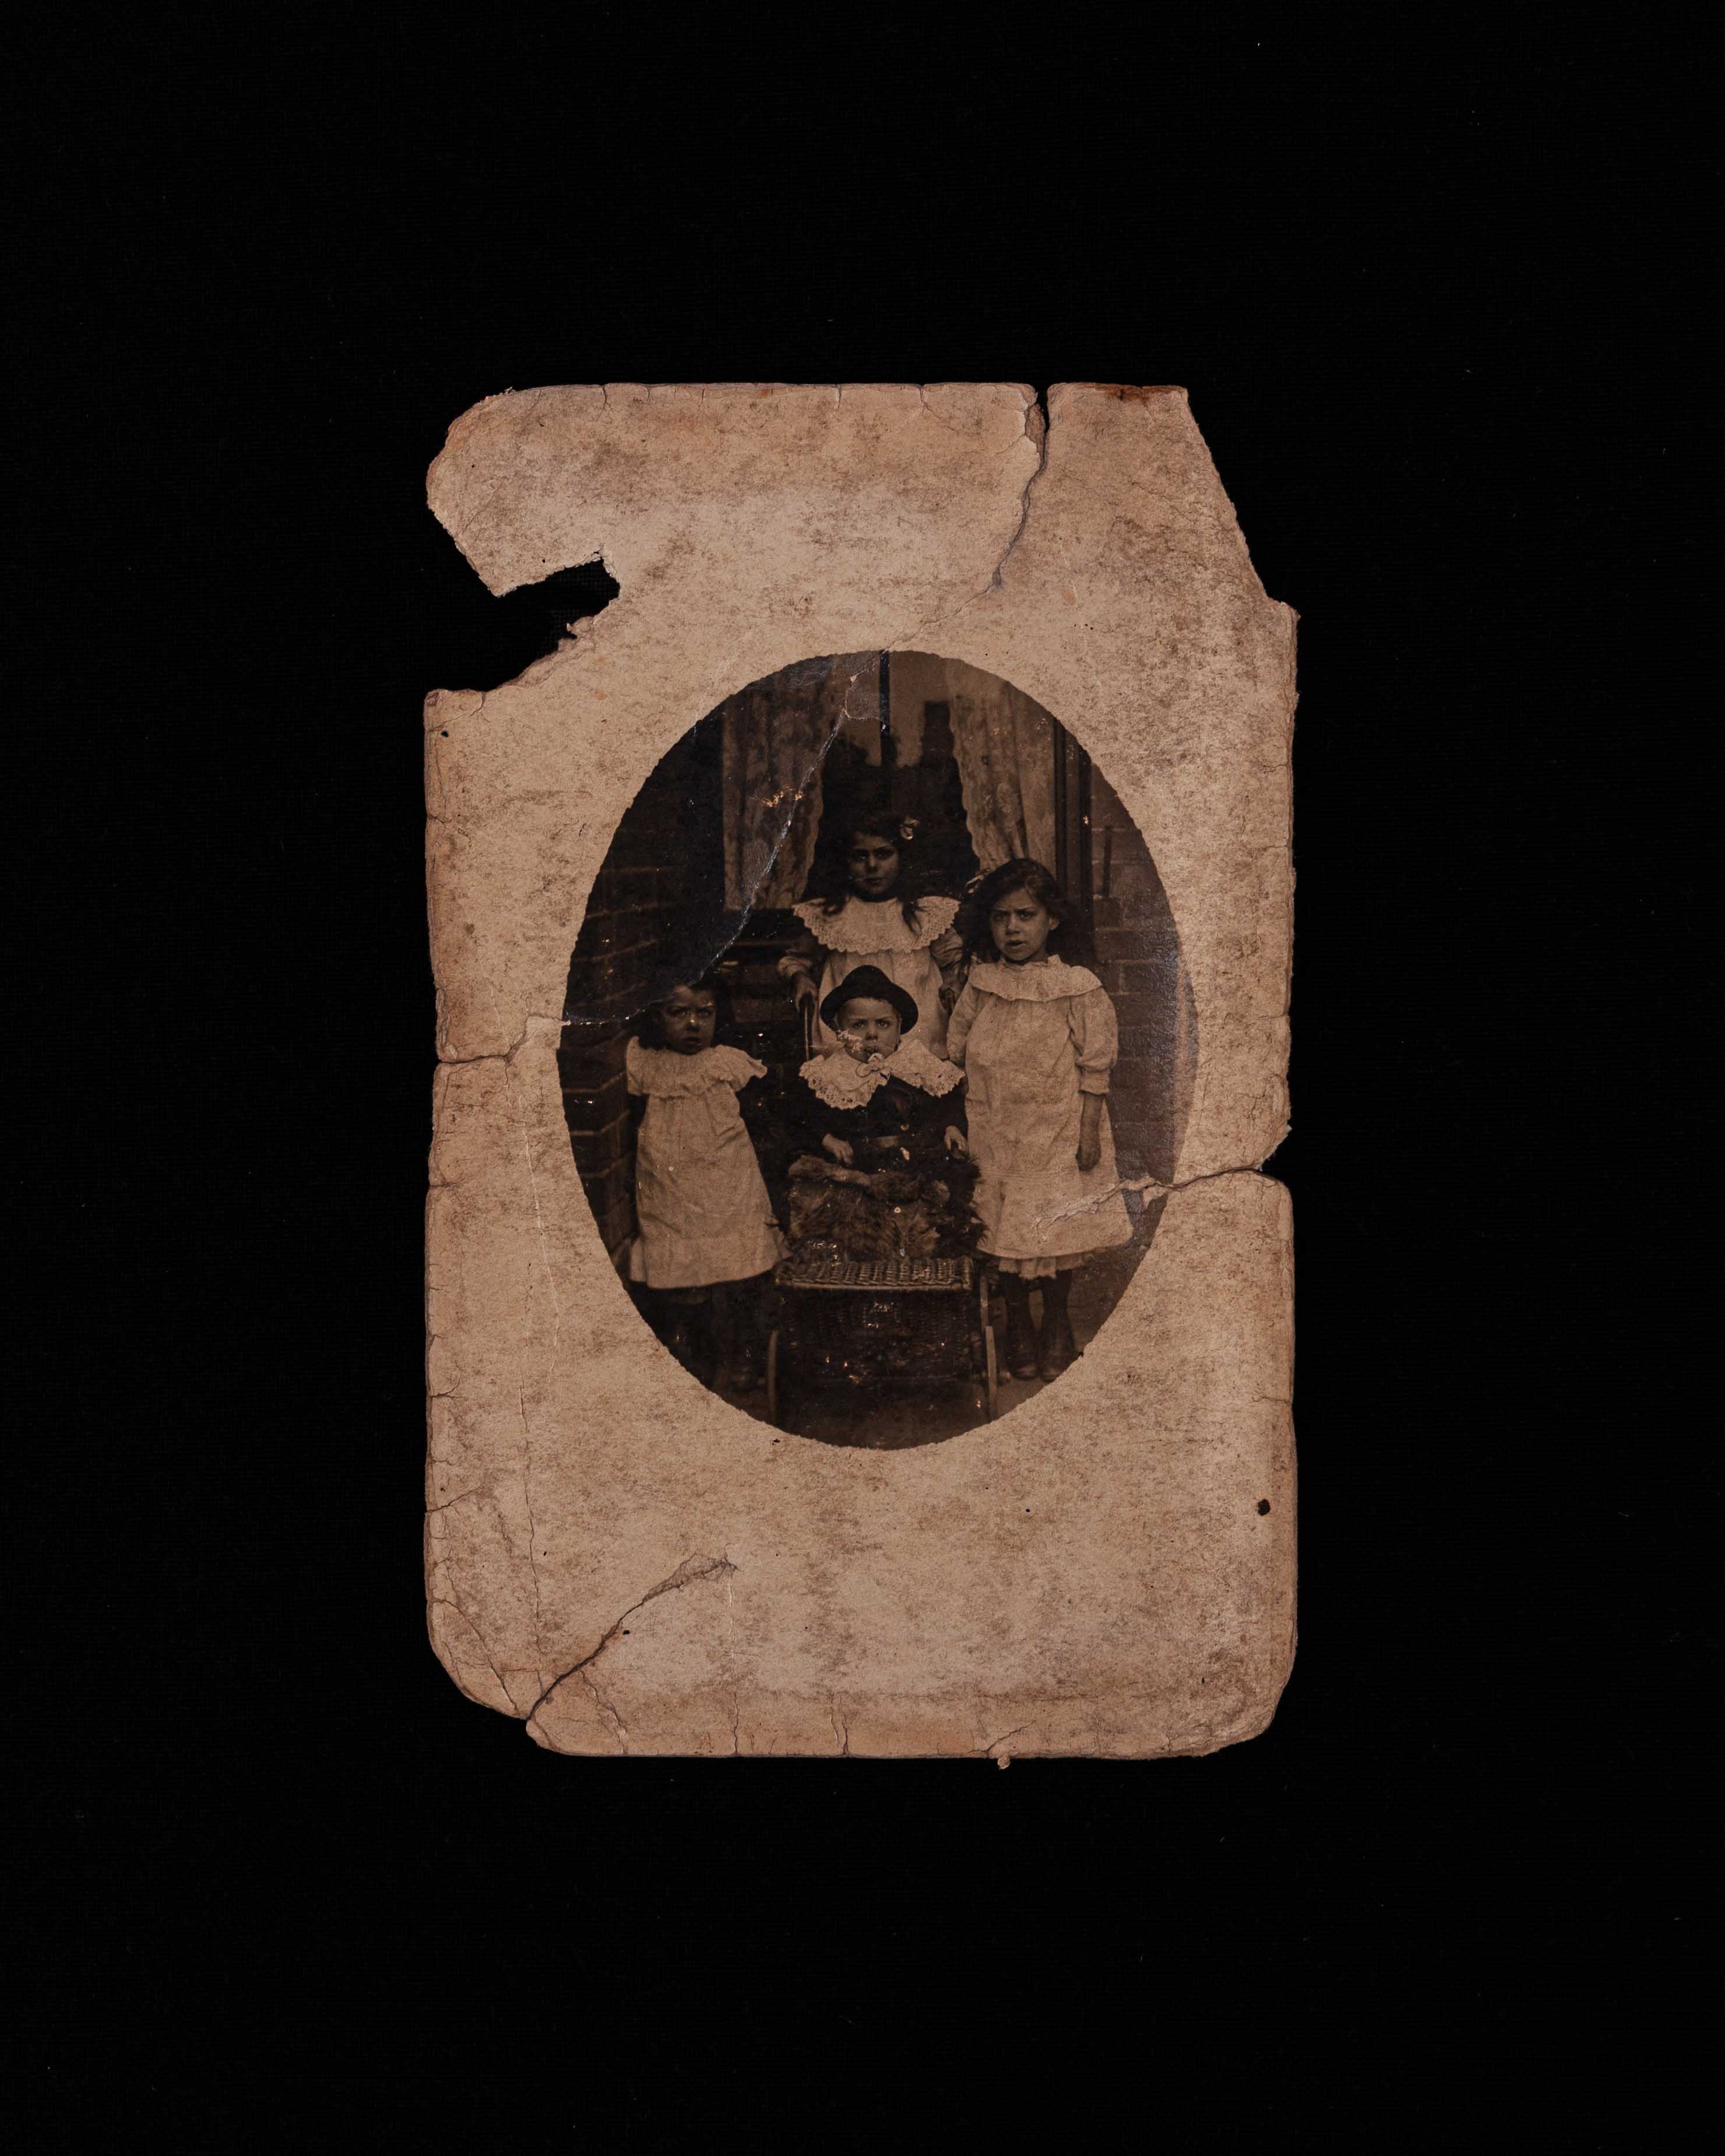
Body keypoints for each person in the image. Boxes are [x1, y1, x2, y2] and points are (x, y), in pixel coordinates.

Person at [945, 859, 1132, 1382]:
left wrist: (1088, 1132)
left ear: (1052, 920)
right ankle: (1018, 1324)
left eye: (1026, 916)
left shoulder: (1076, 987)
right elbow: (956, 1049)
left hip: (1058, 1128)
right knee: (1002, 1223)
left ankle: (1055, 1322)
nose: (1012, 929)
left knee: (1055, 1226)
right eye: (1001, 917)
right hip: (995, 1126)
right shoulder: (982, 984)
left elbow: (1096, 1064)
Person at [625, 968, 784, 1389]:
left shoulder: (726, 1062)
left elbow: (761, 1119)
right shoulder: (646, 1063)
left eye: (705, 1013)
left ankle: (744, 1353)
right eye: (678, 1013)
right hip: (671, 1179)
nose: (693, 1025)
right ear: (656, 1016)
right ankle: (696, 1353)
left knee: (740, 1262)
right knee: (683, 1266)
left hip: (727, 1177)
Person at [786, 967, 974, 1262]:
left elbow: (946, 1100)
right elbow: (803, 1116)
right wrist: (828, 1139)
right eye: (859, 1025)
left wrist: (951, 1127)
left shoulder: (917, 1064)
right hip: (857, 1174)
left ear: (899, 1027)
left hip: (914, 1169)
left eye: (884, 1024)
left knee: (935, 1219)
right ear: (839, 1030)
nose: (872, 1034)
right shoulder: (828, 1074)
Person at [776, 808, 963, 1056]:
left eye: (884, 854)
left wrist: (953, 983)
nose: (872, 866)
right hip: (850, 1034)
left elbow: (954, 960)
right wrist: (800, 977)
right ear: (846, 862)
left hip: (921, 1030)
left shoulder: (924, 913)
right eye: (860, 857)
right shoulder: (830, 915)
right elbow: (795, 960)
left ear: (901, 857)